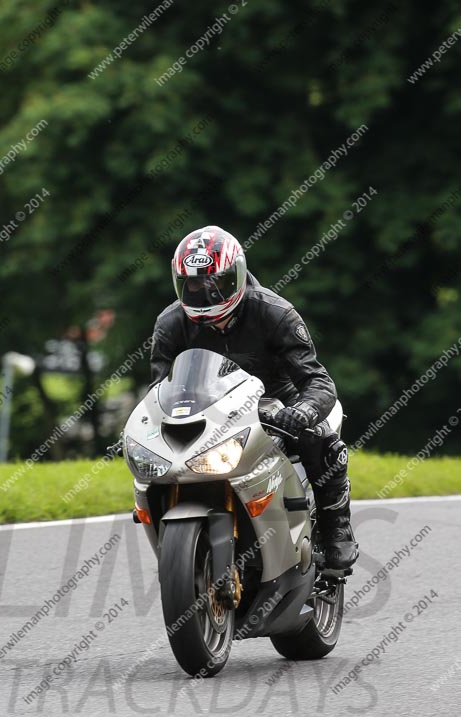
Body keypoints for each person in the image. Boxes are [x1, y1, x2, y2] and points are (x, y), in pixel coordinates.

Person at [149, 225, 359, 570]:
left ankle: (337, 529)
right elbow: (158, 391)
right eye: (195, 284)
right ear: (179, 283)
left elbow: (317, 380)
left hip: (278, 405)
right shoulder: (170, 324)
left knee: (319, 437)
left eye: (215, 281)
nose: (206, 292)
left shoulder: (275, 312)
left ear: (238, 275)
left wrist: (303, 412)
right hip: (209, 412)